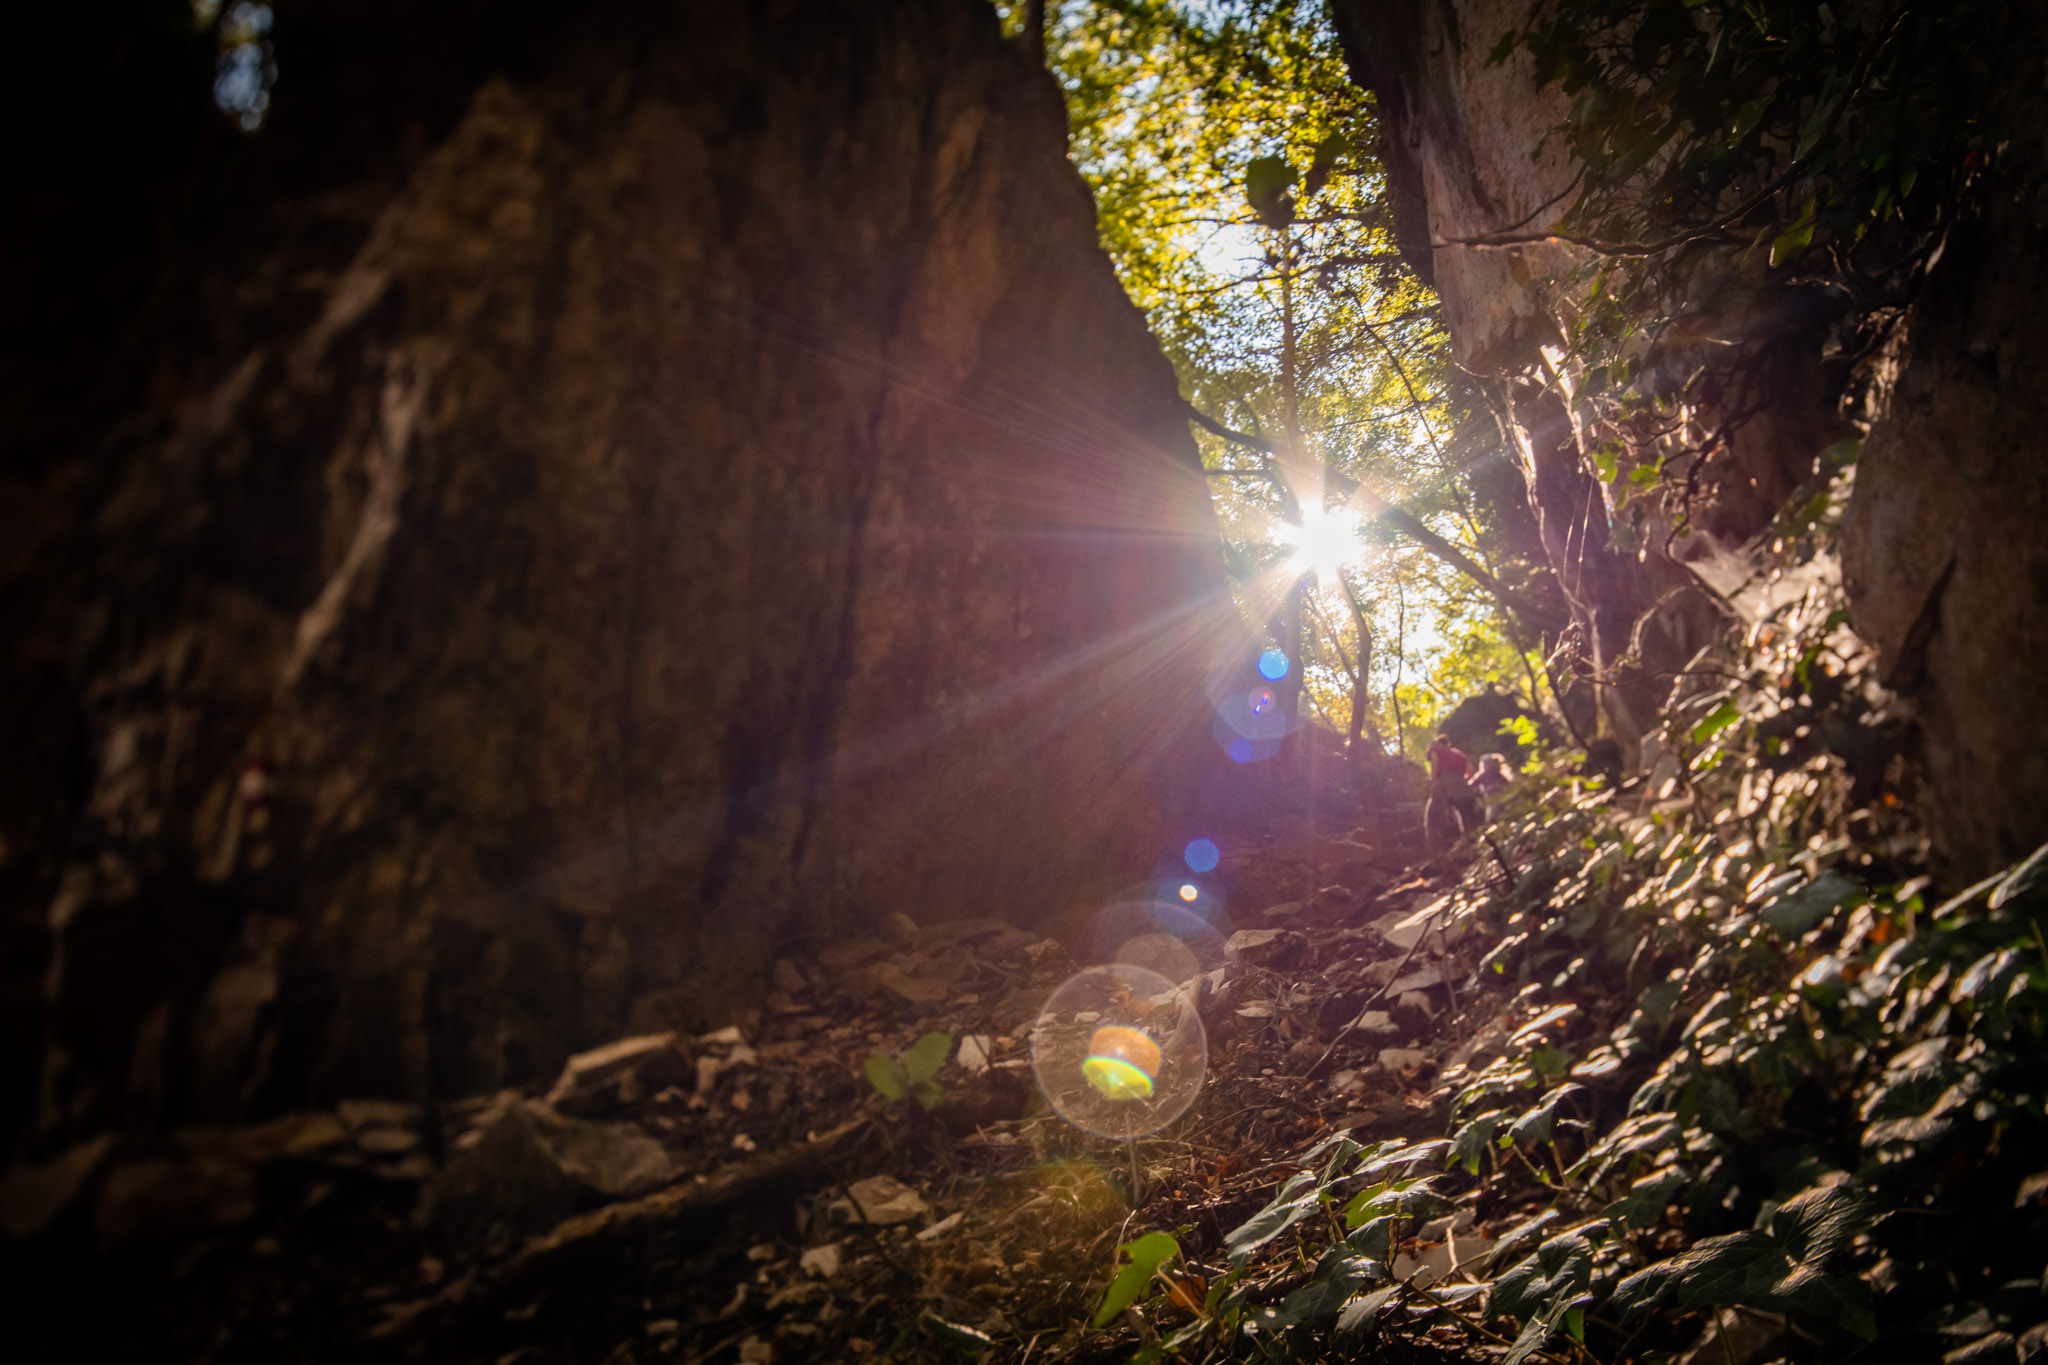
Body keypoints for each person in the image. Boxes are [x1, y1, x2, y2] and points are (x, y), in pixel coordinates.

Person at [1423, 733, 1482, 848]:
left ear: (1438, 742)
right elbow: (1471, 770)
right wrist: (1463, 781)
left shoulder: (1435, 749)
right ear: (1448, 743)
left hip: (1443, 785)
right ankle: (1474, 845)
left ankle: (1436, 849)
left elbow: (1435, 760)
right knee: (1467, 818)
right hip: (1463, 786)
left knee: (1432, 819)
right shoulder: (1458, 753)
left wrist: (1433, 780)